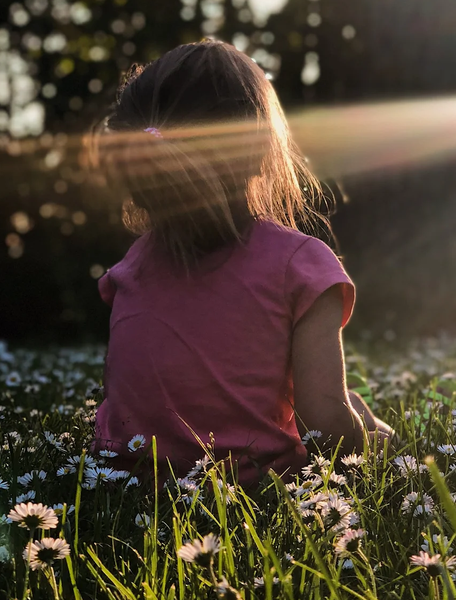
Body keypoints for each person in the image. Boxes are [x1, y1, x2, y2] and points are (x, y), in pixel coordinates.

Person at [92, 41, 394, 486]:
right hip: (253, 493)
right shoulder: (301, 266)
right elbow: (326, 427)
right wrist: (376, 442)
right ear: (257, 150)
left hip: (128, 486)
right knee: (352, 410)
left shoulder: (130, 268)